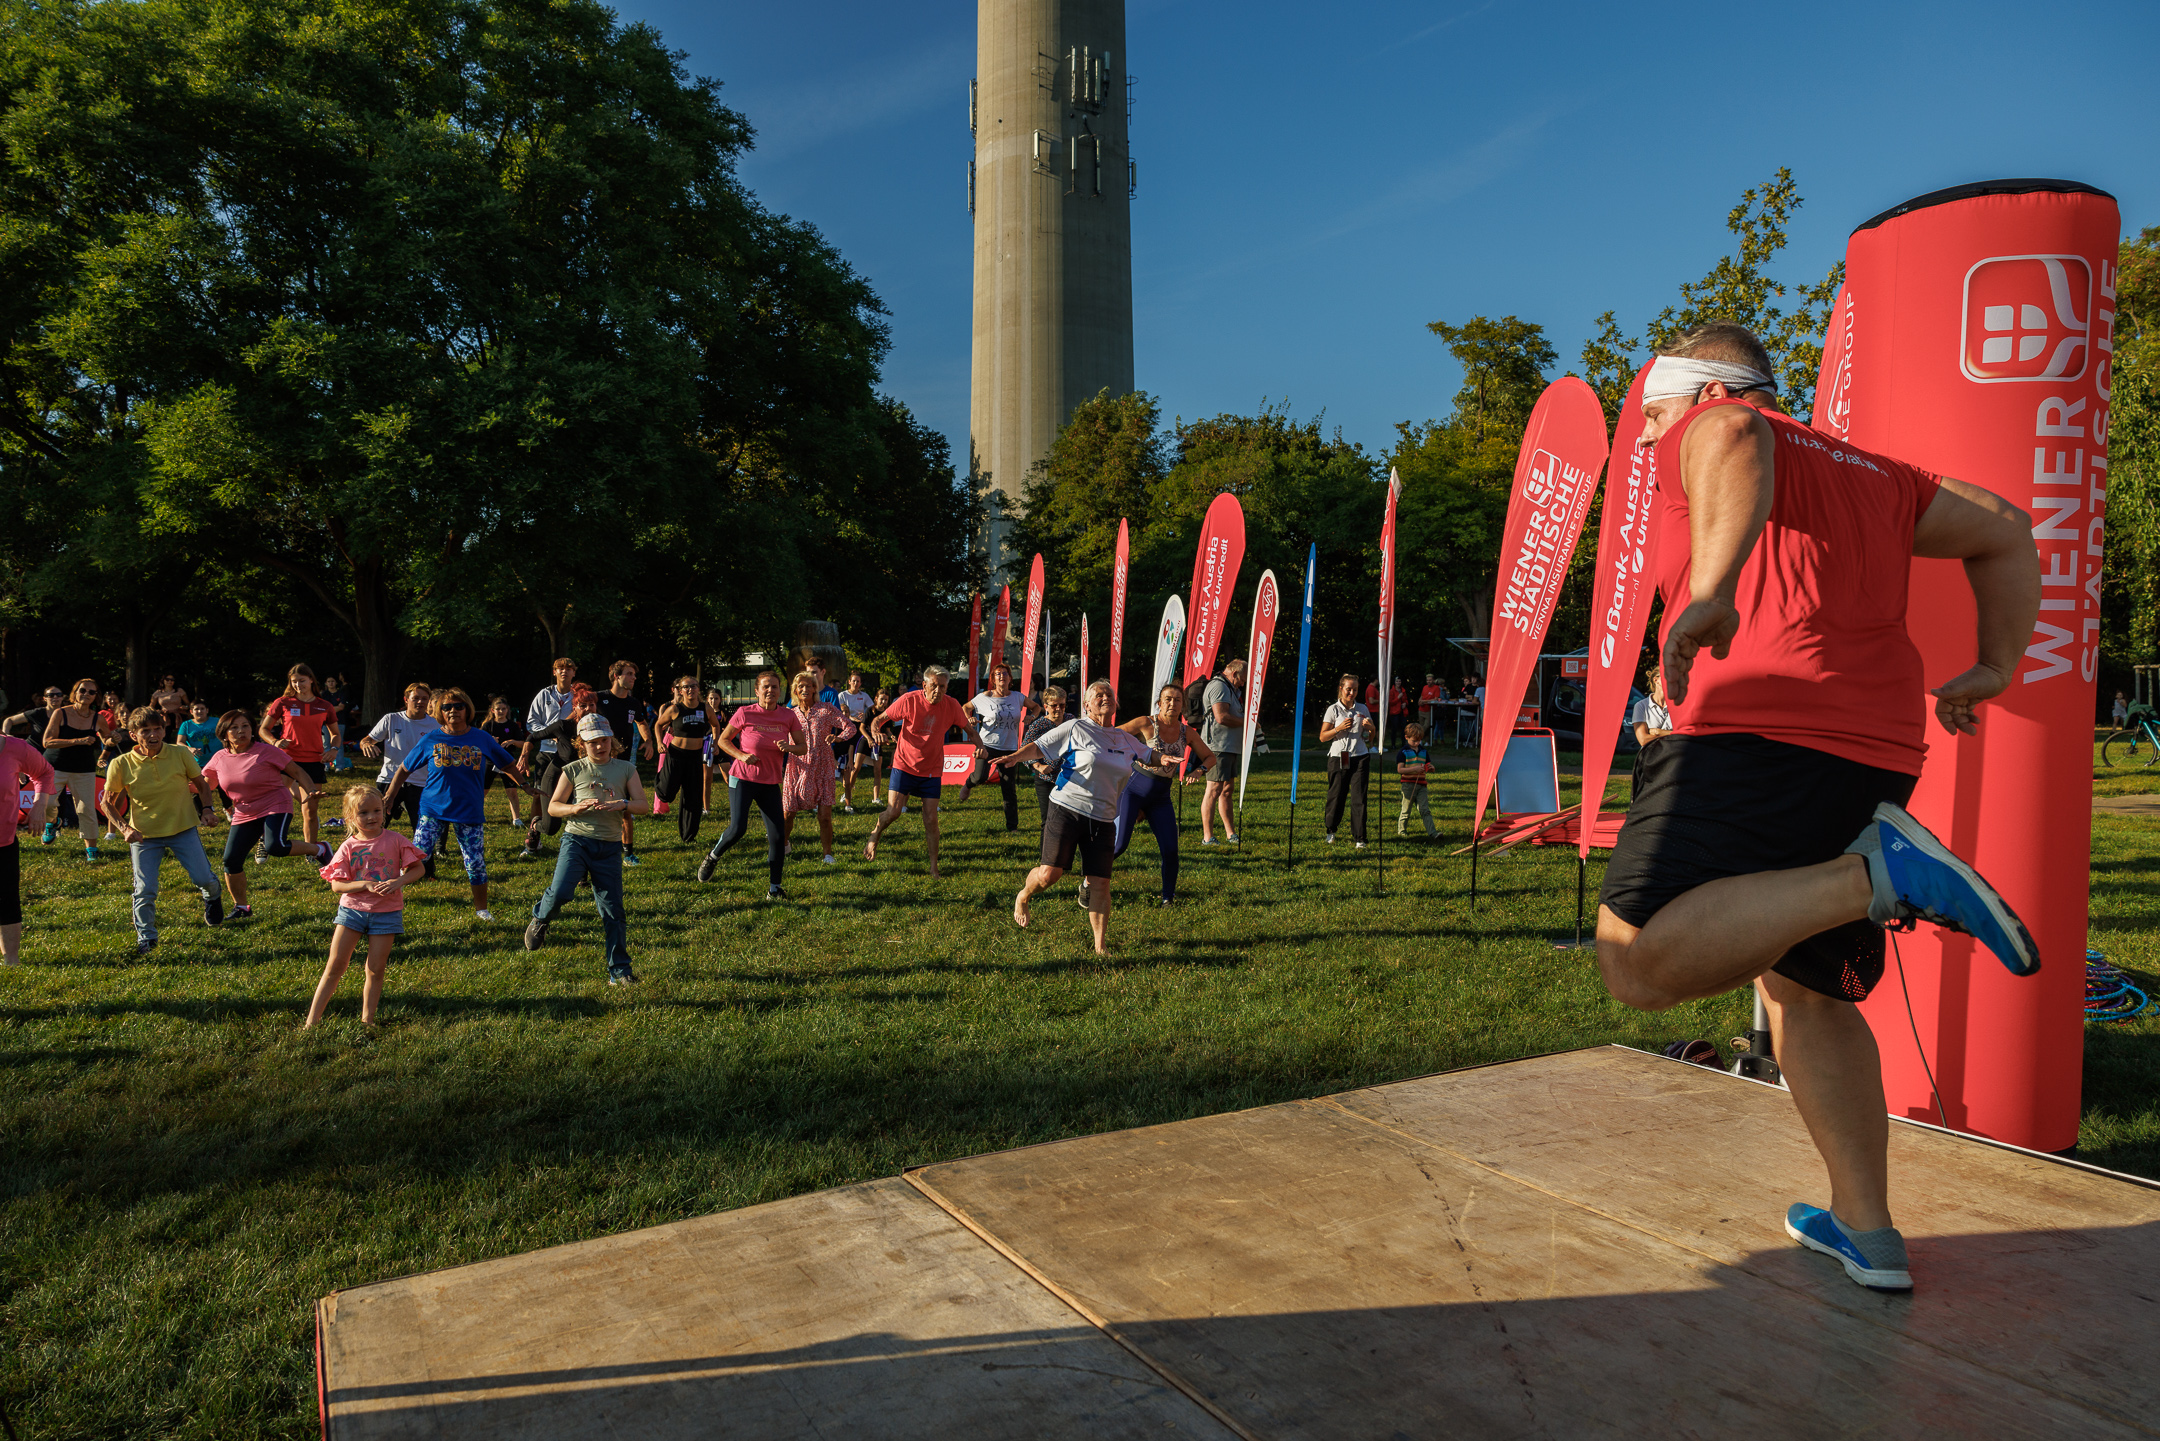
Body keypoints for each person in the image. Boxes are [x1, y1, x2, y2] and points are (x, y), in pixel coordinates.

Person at [1593, 324, 2043, 1294]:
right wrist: (1997, 664)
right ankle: (1867, 1228)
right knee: (1807, 990)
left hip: (1748, 727)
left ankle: (1873, 874)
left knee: (1633, 961)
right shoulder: (1881, 476)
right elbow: (2006, 524)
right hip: (1876, 752)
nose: (1644, 442)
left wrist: (1709, 589)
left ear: (1705, 389)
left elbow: (1734, 442)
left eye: (1652, 417)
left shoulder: (1717, 426)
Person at [1000, 679, 1165, 955]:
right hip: (1066, 808)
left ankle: (1100, 947)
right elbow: (1040, 747)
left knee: (1100, 883)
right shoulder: (1076, 727)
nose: (1104, 698)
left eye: (1109, 694)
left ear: (1116, 703)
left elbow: (1148, 754)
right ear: (1086, 705)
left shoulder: (1124, 738)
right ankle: (1024, 895)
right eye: (1098, 695)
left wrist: (1165, 760)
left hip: (1103, 818)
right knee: (1049, 874)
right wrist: (1015, 757)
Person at [384, 687, 530, 920]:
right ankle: (392, 901)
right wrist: (390, 795)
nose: (453, 711)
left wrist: (524, 785)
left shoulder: (481, 737)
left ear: (468, 709)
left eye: (458, 706)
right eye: (447, 707)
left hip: (469, 810)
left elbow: (507, 764)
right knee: (416, 857)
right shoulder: (431, 738)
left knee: (475, 863)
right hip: (433, 809)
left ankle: (481, 909)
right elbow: (404, 768)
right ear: (440, 711)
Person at [525, 714, 644, 983]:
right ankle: (541, 917)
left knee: (613, 911)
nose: (600, 746)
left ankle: (620, 971)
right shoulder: (573, 770)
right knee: (561, 893)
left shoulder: (626, 769)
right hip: (576, 841)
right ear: (581, 744)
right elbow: (554, 806)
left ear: (611, 740)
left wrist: (622, 804)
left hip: (610, 846)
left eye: (604, 740)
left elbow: (643, 805)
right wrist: (574, 809)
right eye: (592, 742)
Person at [102, 706, 225, 956]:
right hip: (143, 835)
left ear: (164, 730)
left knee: (204, 879)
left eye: (157, 728)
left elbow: (201, 784)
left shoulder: (179, 753)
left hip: (183, 827)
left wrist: (208, 810)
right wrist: (124, 828)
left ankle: (212, 897)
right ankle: (147, 937)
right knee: (145, 889)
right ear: (133, 735)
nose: (152, 734)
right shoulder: (121, 763)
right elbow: (106, 802)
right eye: (145, 730)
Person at [304, 785, 426, 1028]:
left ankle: (367, 1020)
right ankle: (311, 1022)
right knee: (335, 966)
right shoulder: (348, 846)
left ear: (384, 811)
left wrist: (400, 880)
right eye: (363, 813)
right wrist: (365, 884)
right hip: (352, 913)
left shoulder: (395, 840)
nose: (371, 817)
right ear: (350, 817)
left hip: (387, 915)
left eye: (377, 811)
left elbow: (418, 868)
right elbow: (337, 885)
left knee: (375, 969)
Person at [202, 709, 332, 919]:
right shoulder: (219, 758)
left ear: (252, 730)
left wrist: (311, 791)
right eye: (234, 727)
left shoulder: (266, 751)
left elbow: (297, 772)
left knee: (275, 846)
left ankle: (319, 849)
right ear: (224, 733)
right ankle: (241, 908)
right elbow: (204, 785)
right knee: (231, 861)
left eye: (245, 726)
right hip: (244, 811)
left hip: (275, 804)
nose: (240, 731)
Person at [696, 670, 806, 897]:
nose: (770, 691)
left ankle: (775, 889)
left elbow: (802, 747)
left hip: (770, 782)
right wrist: (741, 755)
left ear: (779, 691)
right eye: (766, 687)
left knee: (777, 836)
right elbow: (723, 741)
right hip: (742, 778)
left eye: (775, 687)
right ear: (757, 691)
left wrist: (789, 748)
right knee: (738, 829)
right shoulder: (744, 712)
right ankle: (713, 857)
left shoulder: (788, 716)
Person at [862, 666, 973, 879]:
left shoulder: (951, 705)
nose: (938, 691)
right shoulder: (908, 700)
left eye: (942, 686)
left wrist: (981, 746)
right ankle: (875, 834)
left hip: (931, 769)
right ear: (924, 685)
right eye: (934, 686)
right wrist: (875, 732)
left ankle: (933, 868)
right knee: (893, 812)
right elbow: (878, 719)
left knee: (931, 819)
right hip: (904, 765)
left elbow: (968, 729)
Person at [1115, 682, 1214, 906]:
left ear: (1182, 706)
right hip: (1134, 790)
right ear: (1159, 703)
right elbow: (1113, 734)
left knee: (1170, 849)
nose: (1172, 703)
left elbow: (1210, 757)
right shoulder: (1146, 723)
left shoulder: (1186, 732)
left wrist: (1199, 770)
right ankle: (1089, 880)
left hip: (1160, 797)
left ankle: (1168, 898)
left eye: (1177, 700)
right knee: (1119, 845)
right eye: (1167, 699)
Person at [261, 664, 341, 842]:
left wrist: (334, 750)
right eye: (294, 681)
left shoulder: (324, 706)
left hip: (314, 761)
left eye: (302, 681)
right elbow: (263, 729)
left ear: (311, 680)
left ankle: (311, 850)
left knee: (310, 811)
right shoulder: (282, 703)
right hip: (286, 759)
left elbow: (335, 734)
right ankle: (265, 840)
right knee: (274, 804)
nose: (298, 685)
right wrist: (275, 742)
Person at [0, 730, 56, 964]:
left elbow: (44, 772)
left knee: (6, 899)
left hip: (3, 840)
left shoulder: (14, 748)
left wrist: (39, 805)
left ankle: (11, 960)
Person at [779, 670, 844, 865]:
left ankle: (827, 854)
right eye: (801, 687)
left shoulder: (826, 709)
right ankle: (784, 844)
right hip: (796, 766)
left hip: (822, 767)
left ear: (815, 688)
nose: (805, 689)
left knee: (824, 816)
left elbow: (849, 726)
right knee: (788, 813)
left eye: (809, 685)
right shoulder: (789, 714)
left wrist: (838, 737)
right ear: (795, 691)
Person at [594, 662, 653, 866]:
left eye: (634, 674)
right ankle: (593, 850)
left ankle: (628, 853)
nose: (634, 678)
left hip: (624, 762)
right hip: (599, 762)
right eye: (629, 674)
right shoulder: (599, 698)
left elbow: (642, 723)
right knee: (596, 807)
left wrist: (648, 741)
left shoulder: (634, 703)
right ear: (616, 676)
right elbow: (578, 713)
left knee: (625, 807)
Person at [41, 678, 108, 857]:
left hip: (83, 769)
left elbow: (107, 740)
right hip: (55, 766)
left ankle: (91, 849)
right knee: (47, 803)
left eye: (91, 692)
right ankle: (53, 822)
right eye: (82, 690)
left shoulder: (98, 718)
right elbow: (47, 742)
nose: (86, 694)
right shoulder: (60, 713)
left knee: (86, 809)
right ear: (74, 693)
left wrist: (112, 740)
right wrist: (77, 741)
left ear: (96, 697)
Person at [967, 661, 1033, 833]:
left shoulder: (1018, 697)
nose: (1001, 676)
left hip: (1010, 748)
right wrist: (970, 719)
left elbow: (1036, 707)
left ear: (1010, 678)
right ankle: (968, 783)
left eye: (1005, 673)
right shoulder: (984, 697)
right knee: (980, 778)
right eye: (998, 674)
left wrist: (1031, 717)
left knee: (1008, 787)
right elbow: (966, 707)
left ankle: (1012, 827)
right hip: (987, 745)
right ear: (993, 679)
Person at [361, 683, 435, 835]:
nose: (420, 702)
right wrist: (367, 745)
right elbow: (367, 740)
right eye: (416, 698)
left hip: (421, 782)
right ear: (406, 700)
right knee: (378, 825)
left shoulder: (435, 725)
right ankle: (373, 855)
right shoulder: (391, 719)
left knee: (422, 830)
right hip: (389, 778)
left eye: (424, 699)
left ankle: (425, 858)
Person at [522, 658, 580, 852]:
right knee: (539, 794)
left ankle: (570, 837)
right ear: (554, 672)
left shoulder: (578, 696)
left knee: (572, 796)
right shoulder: (544, 694)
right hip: (546, 751)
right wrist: (553, 733)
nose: (564, 671)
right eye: (560, 668)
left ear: (574, 673)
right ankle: (534, 834)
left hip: (570, 753)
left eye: (569, 668)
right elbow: (532, 722)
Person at [652, 676, 713, 842]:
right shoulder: (674, 709)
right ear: (680, 690)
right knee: (666, 794)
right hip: (676, 754)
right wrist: (659, 742)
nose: (690, 689)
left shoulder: (705, 708)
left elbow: (715, 724)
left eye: (693, 686)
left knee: (693, 797)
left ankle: (689, 836)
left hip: (695, 756)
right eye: (686, 687)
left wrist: (717, 742)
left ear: (698, 689)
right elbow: (658, 724)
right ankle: (659, 783)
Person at [1320, 674, 1373, 847]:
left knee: (1359, 797)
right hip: (1338, 756)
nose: (1352, 692)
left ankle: (1360, 838)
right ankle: (1331, 830)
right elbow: (1322, 737)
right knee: (1337, 795)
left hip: (1360, 756)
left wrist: (1371, 729)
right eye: (1348, 689)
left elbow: (1370, 738)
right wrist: (1338, 728)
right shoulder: (1333, 710)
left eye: (1355, 689)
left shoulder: (1363, 709)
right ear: (1341, 688)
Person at [1200, 658, 1246, 845]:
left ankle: (1230, 833)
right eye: (1242, 678)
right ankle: (1207, 836)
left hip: (1229, 747)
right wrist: (1248, 723)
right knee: (1214, 789)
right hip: (1218, 747)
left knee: (1227, 790)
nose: (1243, 682)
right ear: (1234, 673)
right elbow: (1221, 717)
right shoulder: (1219, 686)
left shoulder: (1231, 688)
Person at [480, 695, 530, 828]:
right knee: (482, 791)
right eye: (498, 709)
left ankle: (516, 819)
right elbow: (478, 743)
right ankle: (475, 815)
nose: (501, 711)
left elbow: (523, 743)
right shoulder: (487, 725)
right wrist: (490, 741)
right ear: (492, 711)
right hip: (490, 762)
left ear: (507, 710)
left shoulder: (512, 726)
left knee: (512, 791)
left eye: (503, 709)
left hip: (508, 762)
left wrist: (513, 741)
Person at [1022, 686, 1069, 825]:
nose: (1059, 709)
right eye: (1054, 706)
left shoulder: (1070, 720)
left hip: (1068, 778)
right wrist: (1038, 765)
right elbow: (1024, 749)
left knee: (1067, 821)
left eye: (1062, 705)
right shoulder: (1038, 725)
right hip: (1046, 778)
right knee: (1048, 820)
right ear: (1046, 706)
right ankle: (1046, 847)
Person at [835, 672, 876, 812]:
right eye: (854, 681)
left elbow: (872, 709)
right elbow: (839, 711)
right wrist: (850, 716)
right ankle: (844, 768)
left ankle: (854, 766)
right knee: (845, 753)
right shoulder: (842, 695)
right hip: (844, 726)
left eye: (858, 681)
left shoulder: (864, 696)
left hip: (859, 727)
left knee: (856, 757)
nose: (856, 683)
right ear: (849, 681)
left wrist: (865, 715)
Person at [1395, 722, 1436, 839]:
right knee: (1406, 810)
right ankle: (1402, 831)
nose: (1417, 743)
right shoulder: (1403, 752)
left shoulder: (1423, 751)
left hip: (1422, 785)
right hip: (1408, 785)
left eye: (1419, 741)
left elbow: (1428, 764)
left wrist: (1431, 768)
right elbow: (1400, 769)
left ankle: (1433, 833)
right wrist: (1415, 769)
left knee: (1425, 810)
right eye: (1414, 741)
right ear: (1406, 737)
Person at [179, 701, 219, 768]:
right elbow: (179, 742)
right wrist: (190, 749)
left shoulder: (217, 721)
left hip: (218, 762)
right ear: (191, 712)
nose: (200, 711)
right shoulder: (186, 725)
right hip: (197, 764)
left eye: (202, 709)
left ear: (207, 710)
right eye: (196, 709)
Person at [1419, 674, 1445, 740]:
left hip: (1429, 709)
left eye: (1430, 680)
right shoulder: (1424, 687)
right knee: (1422, 725)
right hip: (1421, 709)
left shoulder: (1436, 688)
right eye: (1427, 680)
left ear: (1433, 680)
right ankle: (1425, 741)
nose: (1428, 681)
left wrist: (1424, 701)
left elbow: (1435, 699)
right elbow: (1421, 696)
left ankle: (1417, 736)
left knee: (1427, 726)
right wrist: (1419, 702)